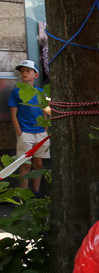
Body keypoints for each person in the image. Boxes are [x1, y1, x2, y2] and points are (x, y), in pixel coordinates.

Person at [7, 60, 50, 195]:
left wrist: (46, 129)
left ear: (36, 75)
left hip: (40, 132)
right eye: (22, 71)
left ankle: (36, 192)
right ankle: (24, 195)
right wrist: (19, 132)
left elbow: (45, 111)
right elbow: (13, 114)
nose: (24, 73)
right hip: (25, 133)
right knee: (25, 163)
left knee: (38, 163)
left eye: (27, 71)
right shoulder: (16, 92)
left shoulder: (41, 92)